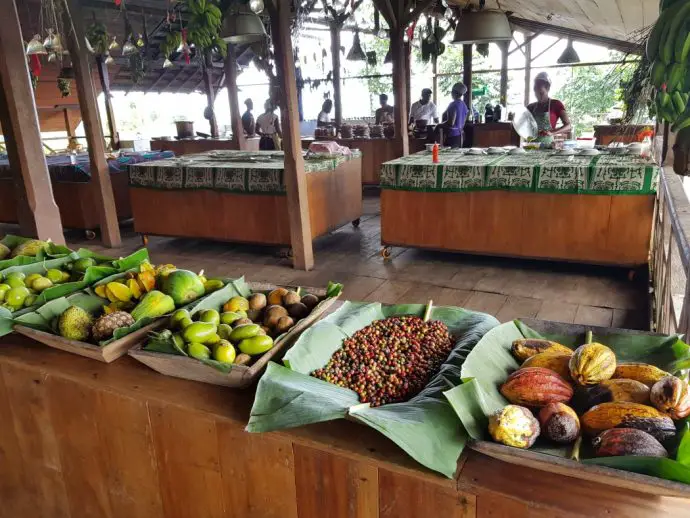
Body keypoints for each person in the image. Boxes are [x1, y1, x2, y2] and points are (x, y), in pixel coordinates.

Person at [526, 71, 572, 146]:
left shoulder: (556, 104)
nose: (538, 96)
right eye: (536, 92)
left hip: (548, 145)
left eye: (541, 93)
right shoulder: (530, 107)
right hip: (532, 145)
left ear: (548, 89)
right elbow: (523, 126)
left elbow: (568, 126)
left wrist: (552, 132)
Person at [441, 82, 469, 148]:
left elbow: (451, 122)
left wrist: (439, 125)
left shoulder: (453, 104)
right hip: (460, 135)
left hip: (452, 136)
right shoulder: (464, 105)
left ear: (454, 92)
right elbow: (463, 122)